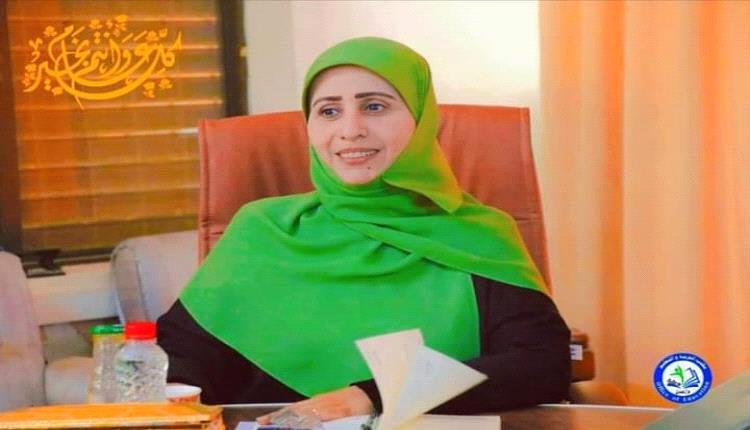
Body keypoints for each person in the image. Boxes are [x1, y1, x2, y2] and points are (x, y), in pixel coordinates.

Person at [157, 37, 571, 421]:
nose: (350, 130)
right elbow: (182, 359)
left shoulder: (478, 235)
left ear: (421, 121)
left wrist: (370, 396)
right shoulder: (264, 229)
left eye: (374, 107)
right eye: (329, 111)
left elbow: (540, 365)